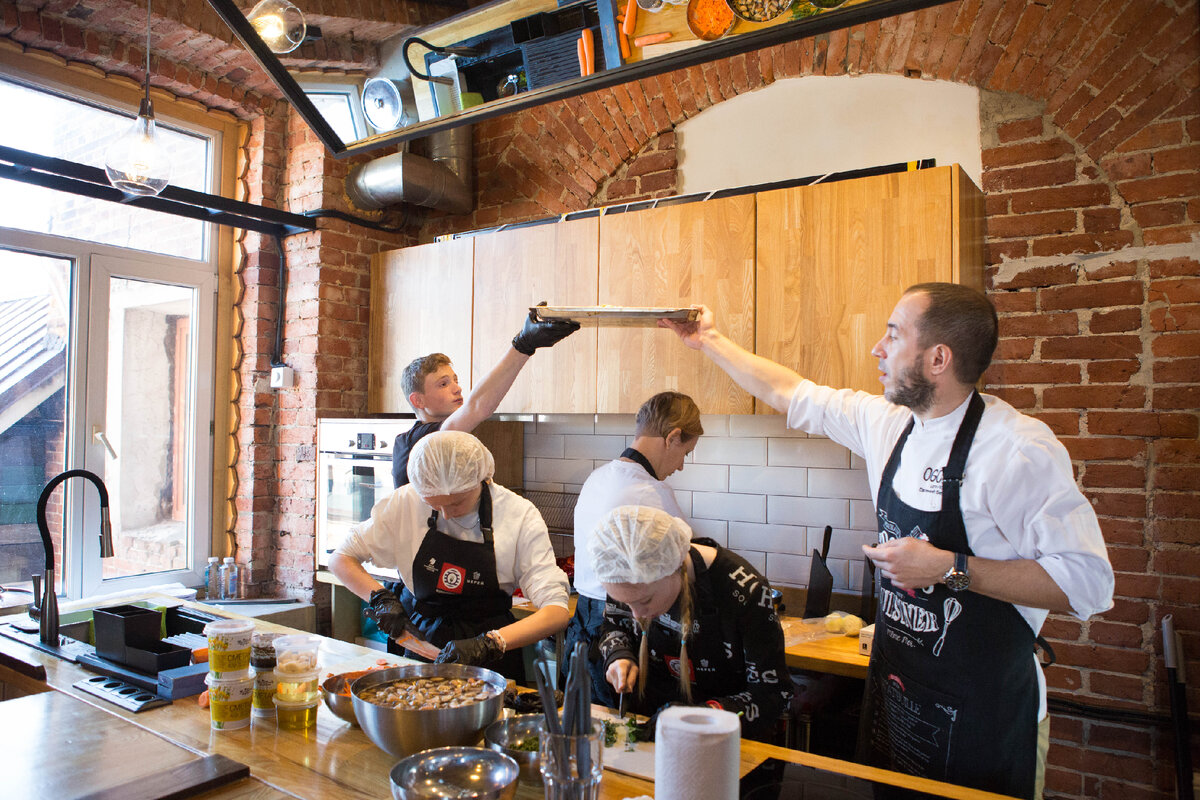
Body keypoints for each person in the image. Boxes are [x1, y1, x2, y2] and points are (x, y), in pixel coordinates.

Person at [662, 284, 1114, 799]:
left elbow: (1088, 583)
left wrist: (948, 567)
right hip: (899, 701)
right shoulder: (889, 424)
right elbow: (792, 393)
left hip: (983, 715)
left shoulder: (1016, 449)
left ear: (938, 358)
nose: (877, 347)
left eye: (893, 334)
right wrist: (710, 339)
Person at [331, 430, 570, 679]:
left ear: (481, 481)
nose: (445, 515)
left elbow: (556, 611)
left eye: (456, 504)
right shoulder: (406, 501)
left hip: (494, 655)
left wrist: (489, 643)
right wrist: (380, 598)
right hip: (423, 645)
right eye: (433, 504)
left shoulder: (518, 514)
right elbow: (342, 558)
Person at [591, 505, 793, 743]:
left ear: (673, 570)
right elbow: (615, 625)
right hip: (652, 735)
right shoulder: (622, 569)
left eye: (644, 601)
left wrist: (701, 716)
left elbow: (771, 695)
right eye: (626, 602)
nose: (636, 615)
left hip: (724, 746)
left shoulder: (745, 592)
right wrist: (619, 655)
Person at [568, 391, 703, 707]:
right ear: (672, 438)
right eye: (686, 451)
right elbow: (685, 569)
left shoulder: (597, 478)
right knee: (633, 738)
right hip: (623, 627)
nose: (682, 465)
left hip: (584, 624)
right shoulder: (652, 493)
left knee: (587, 731)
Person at [392, 305, 579, 488]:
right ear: (418, 400)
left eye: (455, 380)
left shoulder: (446, 439)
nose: (457, 388)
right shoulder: (417, 441)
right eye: (443, 384)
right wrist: (523, 344)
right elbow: (477, 406)